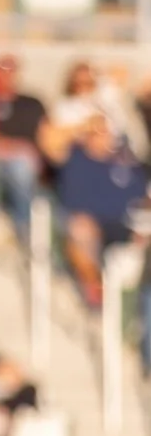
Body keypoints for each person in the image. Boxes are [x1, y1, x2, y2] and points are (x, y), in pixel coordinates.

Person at [45, 112, 148, 306]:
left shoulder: (125, 162)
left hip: (120, 224)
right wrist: (83, 126)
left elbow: (143, 198)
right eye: (96, 132)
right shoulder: (74, 155)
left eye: (104, 131)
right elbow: (48, 142)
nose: (101, 135)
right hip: (83, 225)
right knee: (81, 230)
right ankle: (96, 289)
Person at [0, 55, 48, 239]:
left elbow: (45, 137)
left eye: (11, 69)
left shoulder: (32, 103)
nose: (6, 75)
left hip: (26, 162)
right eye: (1, 69)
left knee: (21, 165)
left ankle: (23, 228)